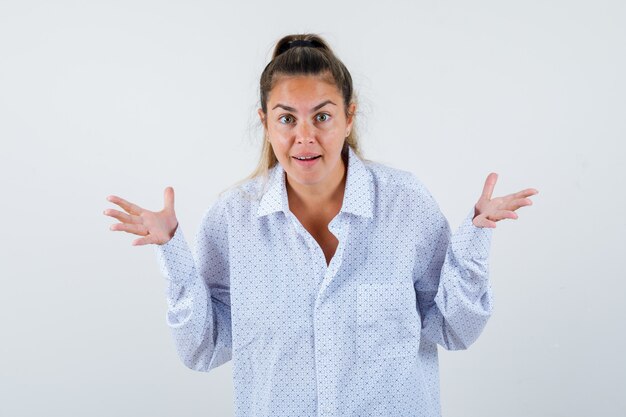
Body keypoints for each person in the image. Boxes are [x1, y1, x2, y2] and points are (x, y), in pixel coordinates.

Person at [104, 34, 538, 417]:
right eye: (287, 118)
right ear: (266, 123)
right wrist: (172, 251)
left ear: (349, 118)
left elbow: (452, 328)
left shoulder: (405, 204)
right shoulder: (233, 219)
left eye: (323, 116)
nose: (305, 137)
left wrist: (475, 238)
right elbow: (204, 348)